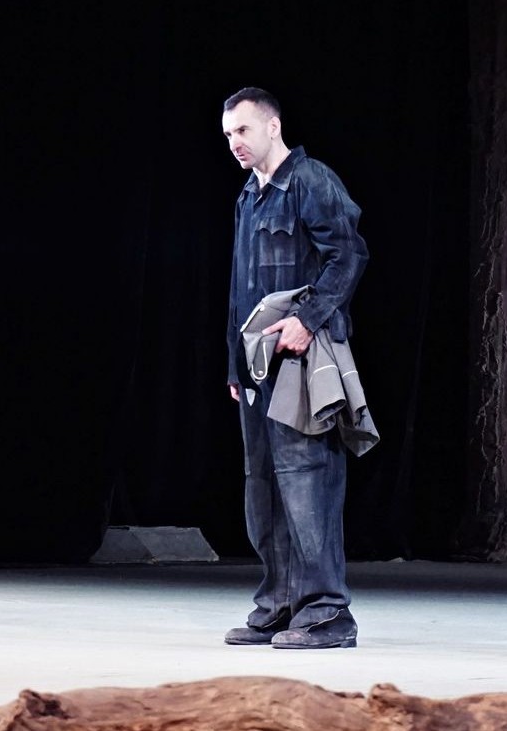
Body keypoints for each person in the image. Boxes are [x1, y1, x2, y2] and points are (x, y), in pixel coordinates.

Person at [220, 87, 369, 649]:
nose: (235, 143)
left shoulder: (310, 181)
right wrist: (235, 365)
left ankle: (327, 611)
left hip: (303, 361)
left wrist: (307, 320)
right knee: (262, 488)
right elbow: (239, 287)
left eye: (243, 130)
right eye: (228, 134)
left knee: (308, 483)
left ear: (273, 127)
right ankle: (279, 603)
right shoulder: (249, 194)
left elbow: (348, 256)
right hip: (257, 367)